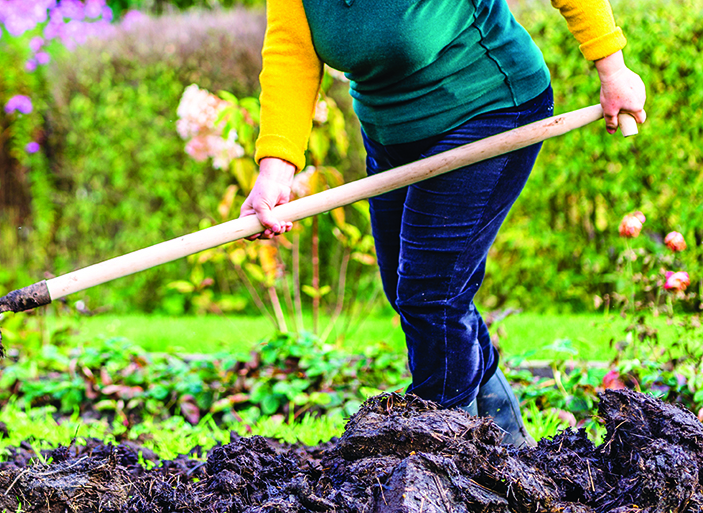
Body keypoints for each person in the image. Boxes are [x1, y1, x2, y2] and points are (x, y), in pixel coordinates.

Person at [239, 0, 647, 446]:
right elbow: (291, 52)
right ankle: (508, 449)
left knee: (431, 297)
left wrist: (613, 68)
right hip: (391, 132)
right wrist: (275, 170)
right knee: (412, 295)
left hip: (487, 107)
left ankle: (446, 457)